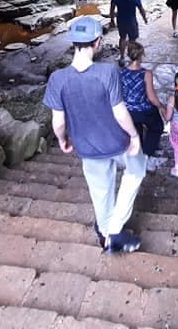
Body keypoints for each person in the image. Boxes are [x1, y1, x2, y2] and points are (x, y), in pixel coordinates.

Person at [43, 16, 145, 253]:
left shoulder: (58, 79)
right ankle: (115, 230)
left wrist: (62, 140)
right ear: (97, 42)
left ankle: (105, 232)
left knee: (100, 189)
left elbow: (57, 121)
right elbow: (119, 112)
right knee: (137, 168)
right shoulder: (107, 72)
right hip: (116, 141)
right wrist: (134, 136)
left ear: (73, 43)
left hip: (86, 147)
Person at [120, 41, 165, 163]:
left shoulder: (121, 72)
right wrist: (161, 106)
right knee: (157, 127)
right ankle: (147, 153)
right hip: (144, 110)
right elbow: (151, 97)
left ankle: (136, 152)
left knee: (136, 129)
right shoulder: (146, 73)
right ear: (141, 56)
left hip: (128, 111)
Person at [110, 0, 147, 65]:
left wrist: (112, 19)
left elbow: (112, 8)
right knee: (132, 40)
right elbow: (141, 9)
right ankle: (132, 58)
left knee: (122, 38)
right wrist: (145, 18)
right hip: (131, 21)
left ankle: (122, 57)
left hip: (121, 20)